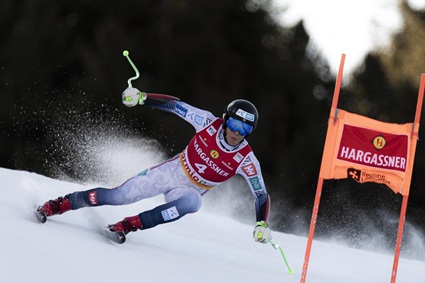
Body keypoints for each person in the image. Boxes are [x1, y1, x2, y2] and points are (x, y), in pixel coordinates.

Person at [37, 87, 272, 244]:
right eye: (233, 123)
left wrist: (262, 222)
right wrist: (142, 97)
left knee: (194, 203)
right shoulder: (207, 122)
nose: (235, 132)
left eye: (244, 129)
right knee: (118, 197)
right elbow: (175, 106)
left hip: (189, 190)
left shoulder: (247, 160)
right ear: (225, 119)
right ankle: (60, 204)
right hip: (171, 172)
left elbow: (260, 195)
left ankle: (130, 225)